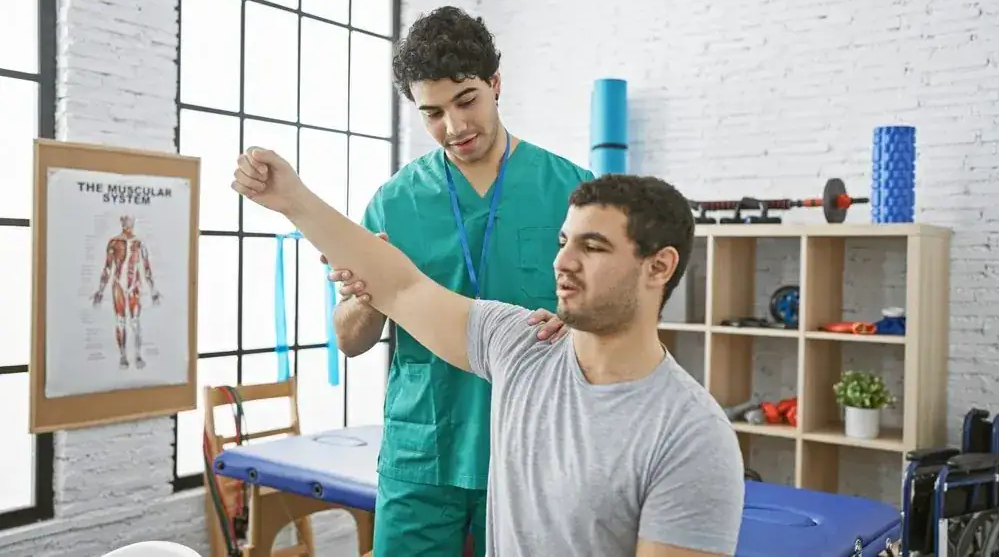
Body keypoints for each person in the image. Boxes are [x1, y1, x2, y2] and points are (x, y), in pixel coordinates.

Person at [231, 146, 746, 556]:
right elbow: (401, 286)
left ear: (658, 267)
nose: (562, 261)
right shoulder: (521, 347)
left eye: (592, 247)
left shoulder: (691, 435)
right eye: (563, 241)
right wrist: (293, 199)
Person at [324, 5, 593, 556]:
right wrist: (365, 296)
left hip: (534, 452)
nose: (453, 127)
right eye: (432, 113)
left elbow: (616, 320)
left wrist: (574, 327)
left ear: (495, 84)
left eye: (465, 100)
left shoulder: (573, 190)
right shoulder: (393, 203)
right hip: (424, 454)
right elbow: (350, 341)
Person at [91, 213, 161, 370]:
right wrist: (100, 291)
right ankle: (123, 356)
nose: (127, 224)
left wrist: (153, 290)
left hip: (134, 286)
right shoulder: (114, 242)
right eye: (125, 220)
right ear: (122, 223)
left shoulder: (139, 244)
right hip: (119, 286)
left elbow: (147, 268)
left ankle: (137, 355)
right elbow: (107, 268)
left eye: (129, 220)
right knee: (120, 321)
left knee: (135, 322)